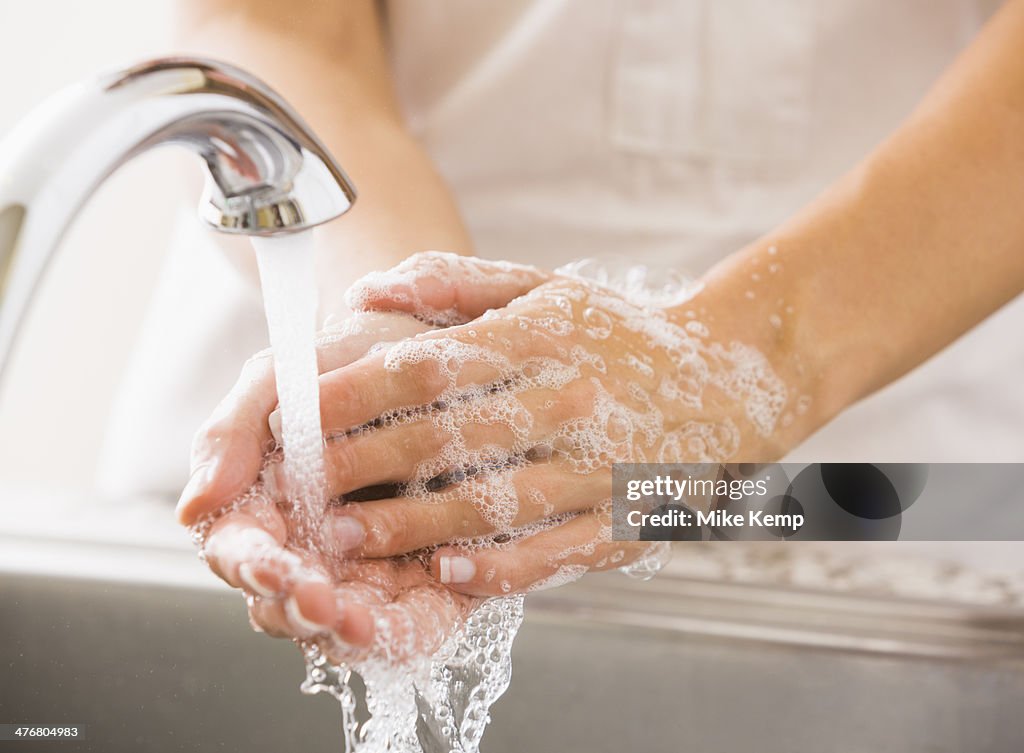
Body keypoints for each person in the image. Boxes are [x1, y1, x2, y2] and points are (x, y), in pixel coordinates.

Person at [106, 0, 1024, 658]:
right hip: (336, 387)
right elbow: (275, 19)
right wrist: (406, 344)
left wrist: (750, 359)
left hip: (861, 450)